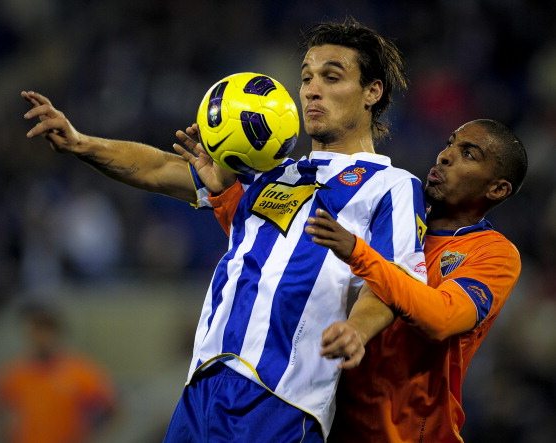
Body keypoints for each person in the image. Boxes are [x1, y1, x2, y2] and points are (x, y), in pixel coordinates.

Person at [21, 17, 426, 441]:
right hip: (203, 385)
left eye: (331, 76)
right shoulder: (270, 172)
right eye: (306, 77)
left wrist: (356, 329)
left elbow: (392, 281)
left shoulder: (391, 185)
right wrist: (82, 142)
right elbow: (162, 168)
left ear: (372, 92)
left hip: (281, 397)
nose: (311, 89)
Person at [304, 119, 528, 442]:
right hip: (331, 422)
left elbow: (442, 317)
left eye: (468, 154)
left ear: (497, 189)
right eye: (450, 143)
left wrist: (360, 254)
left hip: (408, 434)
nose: (445, 155)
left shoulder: (495, 254)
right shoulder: (396, 213)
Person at [0, 302, 117, 443]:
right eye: (36, 330)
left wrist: (90, 436)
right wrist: (3, 436)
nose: (42, 337)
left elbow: (111, 408)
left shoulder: (80, 372)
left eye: (47, 329)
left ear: (57, 332)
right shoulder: (14, 373)